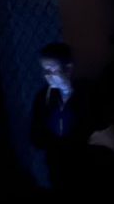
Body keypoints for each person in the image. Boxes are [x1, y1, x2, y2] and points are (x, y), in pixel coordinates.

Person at [31, 41, 91, 187]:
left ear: (68, 69)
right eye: (44, 70)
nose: (47, 76)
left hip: (86, 165)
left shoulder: (86, 93)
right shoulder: (43, 98)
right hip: (56, 166)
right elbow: (35, 135)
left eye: (51, 70)